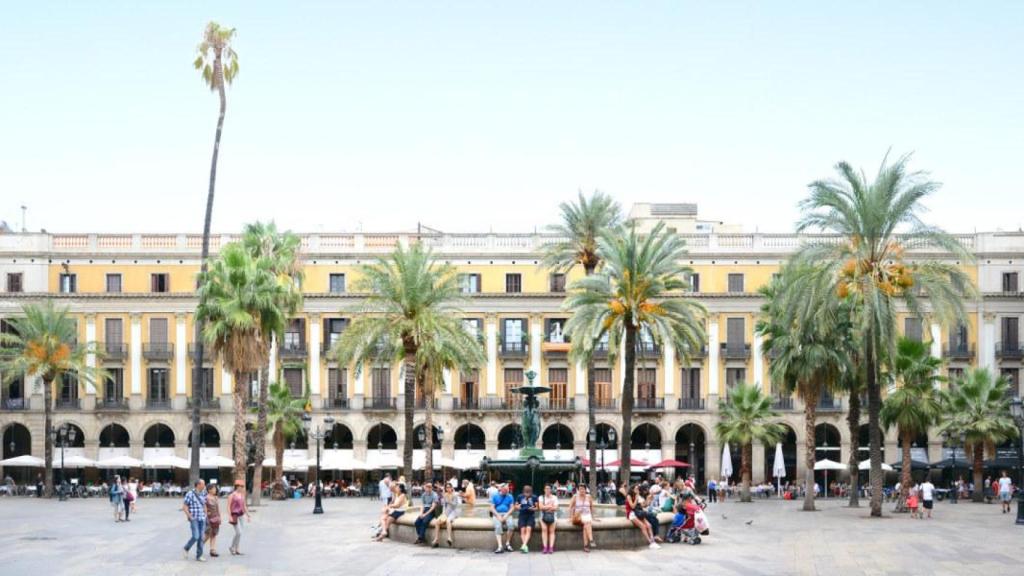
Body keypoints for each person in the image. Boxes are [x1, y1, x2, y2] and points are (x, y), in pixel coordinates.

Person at [621, 484, 659, 549]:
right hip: (631, 513)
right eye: (636, 489)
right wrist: (636, 498)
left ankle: (653, 541)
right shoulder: (629, 496)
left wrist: (649, 499)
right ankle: (650, 542)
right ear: (632, 489)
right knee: (643, 526)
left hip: (638, 512)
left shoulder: (637, 496)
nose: (637, 490)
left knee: (649, 525)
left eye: (637, 489)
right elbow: (632, 506)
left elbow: (643, 506)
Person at [182, 479, 208, 562]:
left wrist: (205, 514)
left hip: (202, 518)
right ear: (198, 485)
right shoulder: (190, 494)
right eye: (203, 484)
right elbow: (185, 506)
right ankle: (186, 548)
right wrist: (189, 516)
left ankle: (199, 555)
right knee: (196, 536)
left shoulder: (204, 493)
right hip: (194, 518)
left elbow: (204, 504)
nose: (204, 486)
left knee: (201, 537)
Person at [489, 484, 516, 553]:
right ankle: (500, 546)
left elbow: (512, 507)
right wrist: (498, 516)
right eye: (505, 490)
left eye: (507, 490)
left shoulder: (510, 496)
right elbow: (492, 508)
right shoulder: (495, 496)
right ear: (501, 489)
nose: (507, 492)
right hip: (497, 514)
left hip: (507, 513)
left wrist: (506, 515)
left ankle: (507, 543)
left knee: (511, 525)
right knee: (498, 526)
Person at [433, 483, 461, 548]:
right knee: (437, 522)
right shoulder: (445, 495)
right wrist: (443, 512)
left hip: (453, 512)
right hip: (446, 512)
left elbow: (455, 505)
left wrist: (449, 501)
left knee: (448, 521)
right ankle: (436, 539)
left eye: (449, 487)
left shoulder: (455, 495)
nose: (448, 489)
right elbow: (444, 505)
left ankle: (449, 538)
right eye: (447, 487)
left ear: (451, 488)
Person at [569, 484, 595, 552]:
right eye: (580, 489)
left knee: (586, 525)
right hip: (578, 516)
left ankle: (586, 546)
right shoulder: (575, 497)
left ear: (585, 490)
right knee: (587, 523)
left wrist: (593, 517)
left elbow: (592, 507)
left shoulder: (589, 497)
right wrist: (571, 517)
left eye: (583, 489)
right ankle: (591, 539)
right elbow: (570, 507)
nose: (582, 490)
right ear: (578, 490)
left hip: (587, 515)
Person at [227, 480, 250, 555]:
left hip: (241, 515)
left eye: (243, 486)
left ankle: (237, 549)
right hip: (234, 515)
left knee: (240, 533)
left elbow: (244, 506)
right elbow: (228, 506)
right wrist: (229, 516)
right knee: (238, 532)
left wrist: (248, 515)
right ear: (237, 486)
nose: (242, 488)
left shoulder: (242, 495)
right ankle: (231, 547)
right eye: (241, 486)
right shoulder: (232, 495)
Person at [515, 484, 539, 553]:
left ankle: (524, 545)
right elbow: (516, 506)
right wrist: (518, 507)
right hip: (522, 515)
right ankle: (525, 546)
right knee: (522, 530)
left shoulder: (534, 497)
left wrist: (533, 509)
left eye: (528, 493)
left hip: (530, 515)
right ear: (523, 492)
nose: (527, 495)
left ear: (531, 492)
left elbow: (537, 508)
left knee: (528, 529)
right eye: (525, 493)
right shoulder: (520, 496)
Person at [538, 484, 558, 554]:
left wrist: (545, 507)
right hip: (543, 516)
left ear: (551, 490)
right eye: (546, 488)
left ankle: (551, 547)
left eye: (549, 488)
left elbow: (556, 508)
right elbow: (540, 507)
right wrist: (550, 506)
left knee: (552, 531)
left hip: (553, 516)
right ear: (544, 490)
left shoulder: (554, 497)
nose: (547, 490)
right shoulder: (541, 497)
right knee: (544, 530)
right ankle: (545, 547)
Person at [203, 484, 222, 557]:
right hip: (209, 518)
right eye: (214, 489)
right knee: (207, 534)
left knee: (214, 534)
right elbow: (204, 508)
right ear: (209, 490)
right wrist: (206, 514)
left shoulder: (215, 497)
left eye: (215, 489)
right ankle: (200, 547)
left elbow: (218, 508)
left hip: (216, 517)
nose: (215, 490)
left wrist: (219, 517)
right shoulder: (205, 498)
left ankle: (212, 550)